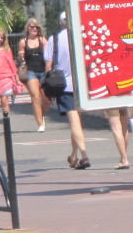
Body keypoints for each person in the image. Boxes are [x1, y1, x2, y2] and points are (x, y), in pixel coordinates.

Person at [49, 11, 89, 169]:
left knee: (74, 120)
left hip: (64, 84)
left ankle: (84, 155)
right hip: (82, 84)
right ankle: (74, 156)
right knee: (77, 121)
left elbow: (48, 65)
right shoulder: (81, 36)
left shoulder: (55, 39)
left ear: (60, 23)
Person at [18, 17, 49, 133]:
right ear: (28, 28)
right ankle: (40, 124)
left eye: (36, 27)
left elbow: (48, 57)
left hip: (43, 71)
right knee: (35, 97)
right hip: (31, 72)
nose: (34, 29)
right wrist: (21, 56)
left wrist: (48, 69)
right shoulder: (23, 42)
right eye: (31, 26)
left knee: (47, 100)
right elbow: (21, 57)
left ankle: (40, 115)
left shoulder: (43, 40)